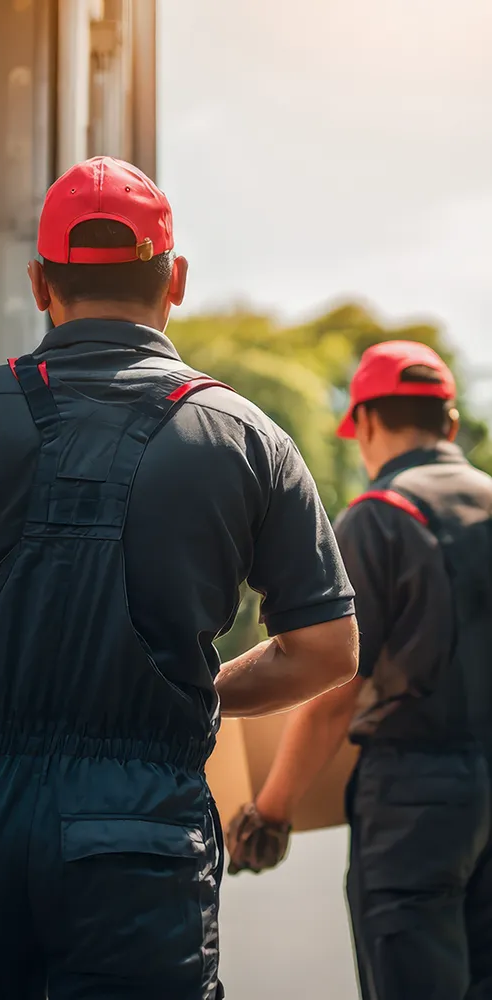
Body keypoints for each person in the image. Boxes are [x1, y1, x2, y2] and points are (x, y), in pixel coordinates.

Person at [0, 156, 357, 1000]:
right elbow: (325, 651)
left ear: (38, 283)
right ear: (176, 280)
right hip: (140, 846)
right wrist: (186, 694)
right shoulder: (245, 436)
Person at [228, 339, 492, 1000]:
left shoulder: (380, 518)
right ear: (450, 424)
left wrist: (270, 814)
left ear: (366, 421)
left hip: (416, 803)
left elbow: (333, 696)